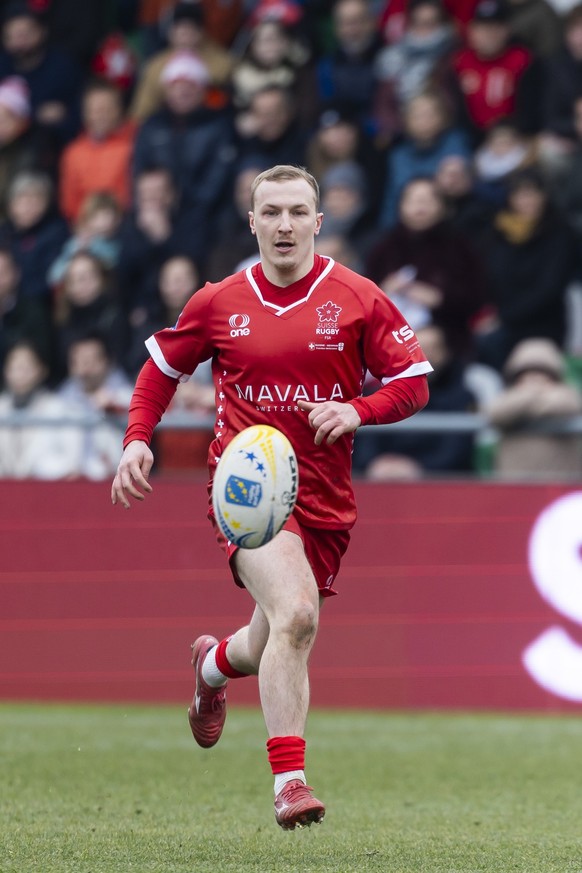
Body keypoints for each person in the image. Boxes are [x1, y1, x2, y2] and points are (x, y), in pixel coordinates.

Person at [111, 164, 432, 830]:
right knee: (297, 613)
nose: (284, 224)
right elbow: (161, 370)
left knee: (275, 635)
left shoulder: (358, 297)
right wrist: (137, 438)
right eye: (271, 212)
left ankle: (212, 665)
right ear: (252, 221)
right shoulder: (219, 300)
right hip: (250, 495)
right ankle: (289, 781)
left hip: (324, 499)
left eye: (297, 212)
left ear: (318, 221)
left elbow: (414, 382)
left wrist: (357, 410)